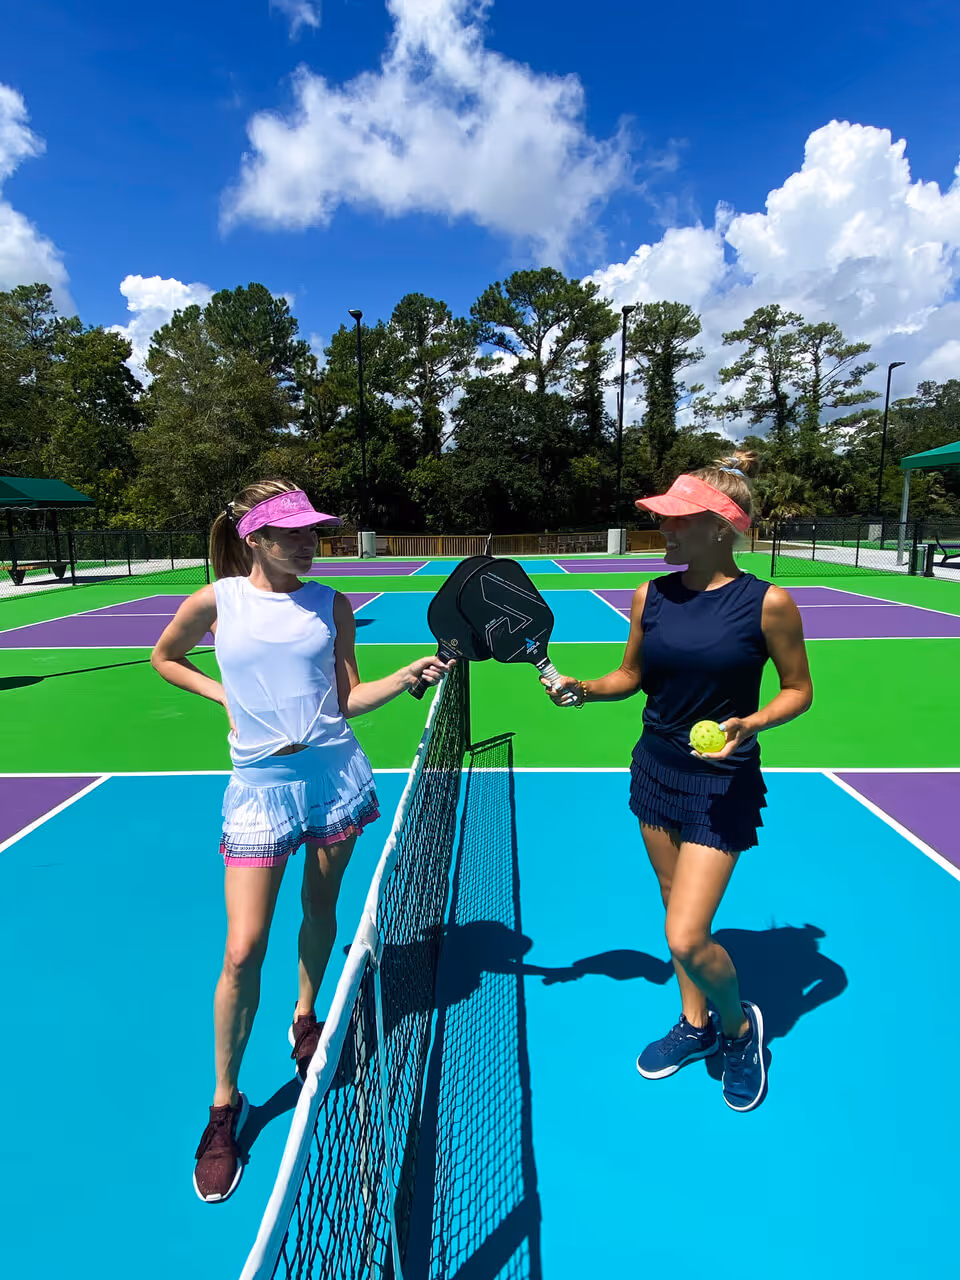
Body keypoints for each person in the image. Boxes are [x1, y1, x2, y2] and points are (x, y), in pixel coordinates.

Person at [151, 479, 451, 1202]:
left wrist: (406, 675)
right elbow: (166, 657)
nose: (311, 543)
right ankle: (226, 1105)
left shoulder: (331, 603)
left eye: (315, 532)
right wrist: (224, 695)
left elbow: (346, 697)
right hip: (258, 787)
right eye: (294, 534)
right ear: (254, 538)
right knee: (243, 948)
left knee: (321, 911)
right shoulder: (217, 601)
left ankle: (306, 1015)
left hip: (332, 774)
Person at [543, 453, 812, 1112]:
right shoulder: (651, 595)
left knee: (686, 936)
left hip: (722, 784)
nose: (663, 531)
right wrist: (583, 688)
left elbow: (799, 691)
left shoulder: (768, 603)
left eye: (677, 520)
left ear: (721, 527)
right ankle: (694, 1025)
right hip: (657, 770)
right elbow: (630, 675)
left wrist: (754, 721)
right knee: (672, 905)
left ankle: (739, 1029)